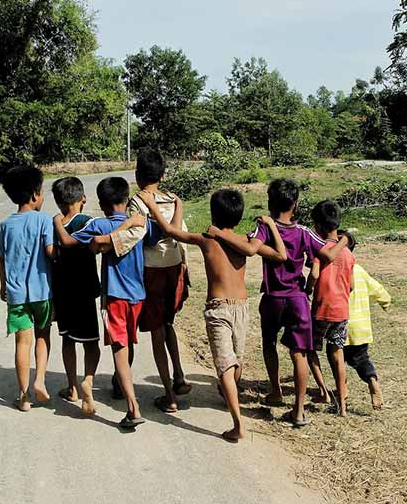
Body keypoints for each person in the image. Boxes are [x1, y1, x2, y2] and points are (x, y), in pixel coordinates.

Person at [139, 189, 287, 442]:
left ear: (212, 214)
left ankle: (238, 424)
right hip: (241, 307)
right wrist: (272, 226)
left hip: (219, 308)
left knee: (227, 368)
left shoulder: (208, 239)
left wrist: (161, 206)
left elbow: (171, 232)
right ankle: (231, 400)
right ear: (239, 217)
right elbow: (281, 255)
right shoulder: (245, 243)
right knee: (233, 365)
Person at [212, 178, 348, 428]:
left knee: (269, 344)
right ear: (295, 205)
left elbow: (251, 248)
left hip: (273, 297)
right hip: (297, 298)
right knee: (299, 354)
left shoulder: (263, 227)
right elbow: (328, 254)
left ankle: (275, 391)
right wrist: (345, 239)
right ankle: (298, 411)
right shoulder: (304, 232)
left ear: (269, 203)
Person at [56, 177, 151, 430]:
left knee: (119, 349)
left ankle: (133, 408)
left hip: (116, 296)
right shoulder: (142, 223)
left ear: (101, 203)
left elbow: (68, 241)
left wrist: (57, 221)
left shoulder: (100, 225)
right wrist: (132, 220)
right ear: (126, 198)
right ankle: (121, 387)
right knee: (128, 344)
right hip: (139, 295)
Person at [111, 150, 191, 413]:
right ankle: (178, 375)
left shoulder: (138, 202)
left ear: (137, 175)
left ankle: (169, 395)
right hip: (175, 266)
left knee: (156, 330)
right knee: (168, 323)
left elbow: (140, 236)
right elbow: (180, 234)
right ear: (163, 175)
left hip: (152, 269)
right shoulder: (173, 199)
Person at [0, 166, 55, 413]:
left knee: (21, 343)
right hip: (43, 292)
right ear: (34, 195)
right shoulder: (44, 220)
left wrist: (2, 284)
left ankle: (24, 396)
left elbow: (1, 259)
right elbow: (50, 252)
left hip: (16, 294)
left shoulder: (6, 225)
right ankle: (39, 379)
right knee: (42, 336)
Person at [51, 177, 102, 417]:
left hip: (62, 290)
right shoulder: (87, 221)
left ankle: (72, 387)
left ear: (58, 202)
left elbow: (51, 252)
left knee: (67, 339)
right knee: (91, 343)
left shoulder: (56, 223)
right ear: (83, 198)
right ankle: (88, 381)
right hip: (83, 290)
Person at [304, 202, 356, 417]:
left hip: (322, 308)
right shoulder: (348, 253)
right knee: (337, 353)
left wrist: (308, 288)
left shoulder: (321, 249)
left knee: (309, 350)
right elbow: (352, 285)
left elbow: (314, 274)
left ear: (316, 225)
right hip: (342, 310)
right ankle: (342, 407)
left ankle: (324, 391)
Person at [344, 233, 391, 410]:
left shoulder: (335, 268)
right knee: (360, 358)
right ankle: (371, 379)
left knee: (338, 358)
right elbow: (377, 289)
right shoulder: (359, 270)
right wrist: (386, 301)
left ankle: (343, 390)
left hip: (341, 324)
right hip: (361, 327)